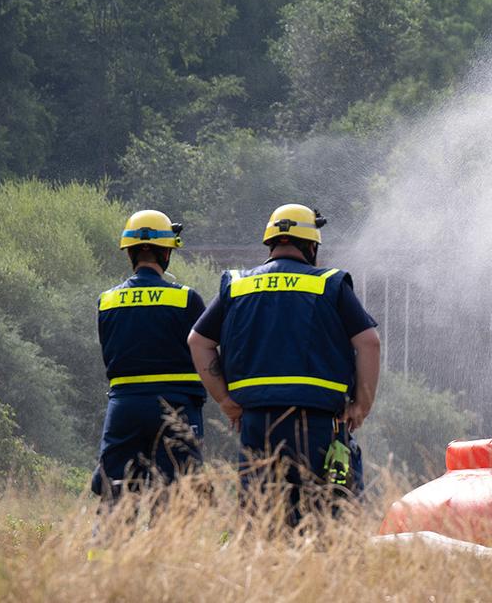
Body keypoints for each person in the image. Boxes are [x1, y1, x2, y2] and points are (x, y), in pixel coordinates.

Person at [188, 203, 380, 523]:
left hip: (257, 423)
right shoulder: (330, 283)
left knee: (263, 517)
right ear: (312, 246)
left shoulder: (237, 284)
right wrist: (362, 405)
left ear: (271, 244)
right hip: (320, 423)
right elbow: (369, 342)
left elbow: (199, 341)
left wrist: (225, 401)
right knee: (327, 517)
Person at [93, 209, 207, 500]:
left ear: (130, 253)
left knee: (114, 494)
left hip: (124, 408)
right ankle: (166, 546)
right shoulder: (186, 299)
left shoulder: (107, 301)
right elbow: (206, 348)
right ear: (167, 254)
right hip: (176, 407)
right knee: (176, 497)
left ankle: (108, 546)